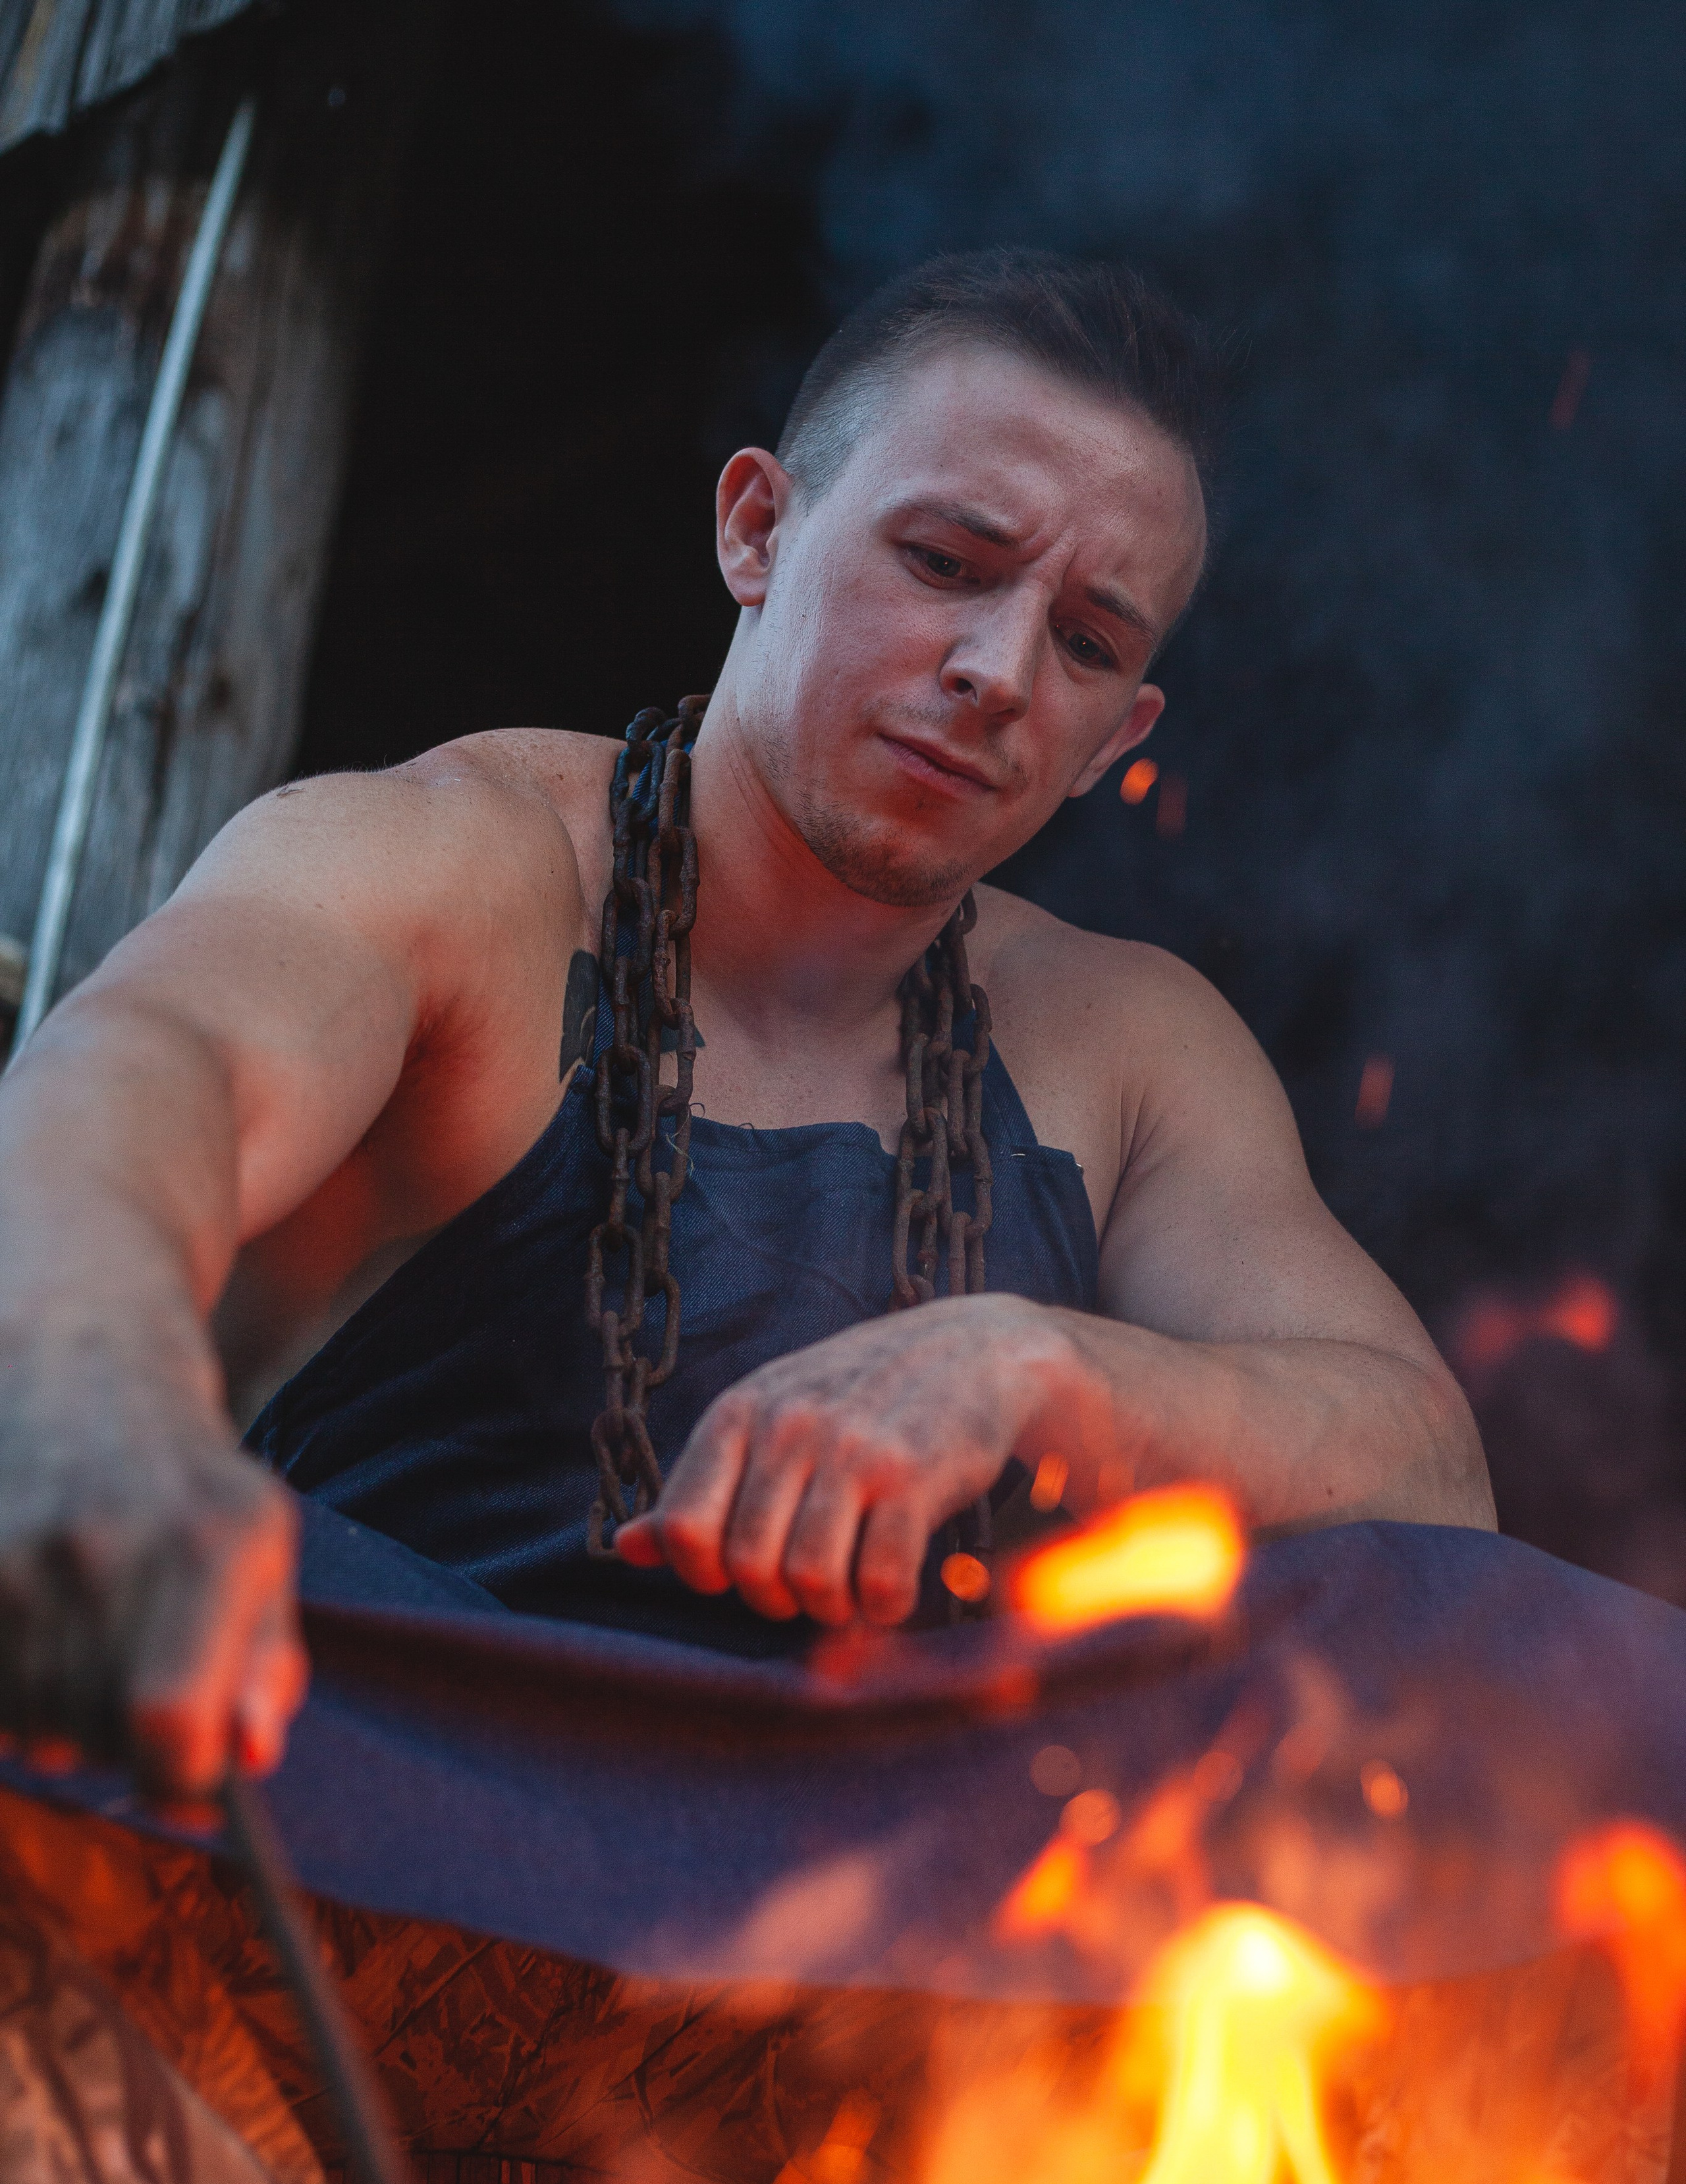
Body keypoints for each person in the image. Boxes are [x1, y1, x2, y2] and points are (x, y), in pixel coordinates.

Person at [0, 249, 1493, 1806]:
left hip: (894, 1952)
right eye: (945, 562)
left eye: (1086, 643)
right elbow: (144, 1067)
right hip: (355, 1835)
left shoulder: (1127, 1043)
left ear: (1118, 739)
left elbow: (1427, 1478)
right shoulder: (454, 862)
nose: (997, 674)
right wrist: (90, 1395)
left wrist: (1044, 1367)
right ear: (757, 528)